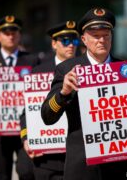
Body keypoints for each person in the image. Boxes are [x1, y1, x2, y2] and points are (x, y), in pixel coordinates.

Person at [41, 7, 127, 180]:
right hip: (82, 167)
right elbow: (47, 117)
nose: (101, 40)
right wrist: (64, 92)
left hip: (121, 165)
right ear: (84, 39)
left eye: (106, 35)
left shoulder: (125, 69)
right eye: (95, 36)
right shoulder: (67, 69)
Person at [0, 15, 39, 180]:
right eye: (6, 32)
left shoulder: (32, 60)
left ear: (19, 35)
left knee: (27, 172)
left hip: (25, 130)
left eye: (14, 32)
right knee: (2, 175)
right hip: (0, 131)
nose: (11, 36)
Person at [20, 20, 79, 180]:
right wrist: (26, 138)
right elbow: (28, 110)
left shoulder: (88, 69)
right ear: (54, 44)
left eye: (74, 40)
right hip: (47, 156)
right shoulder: (39, 71)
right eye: (65, 41)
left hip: (77, 152)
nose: (71, 45)